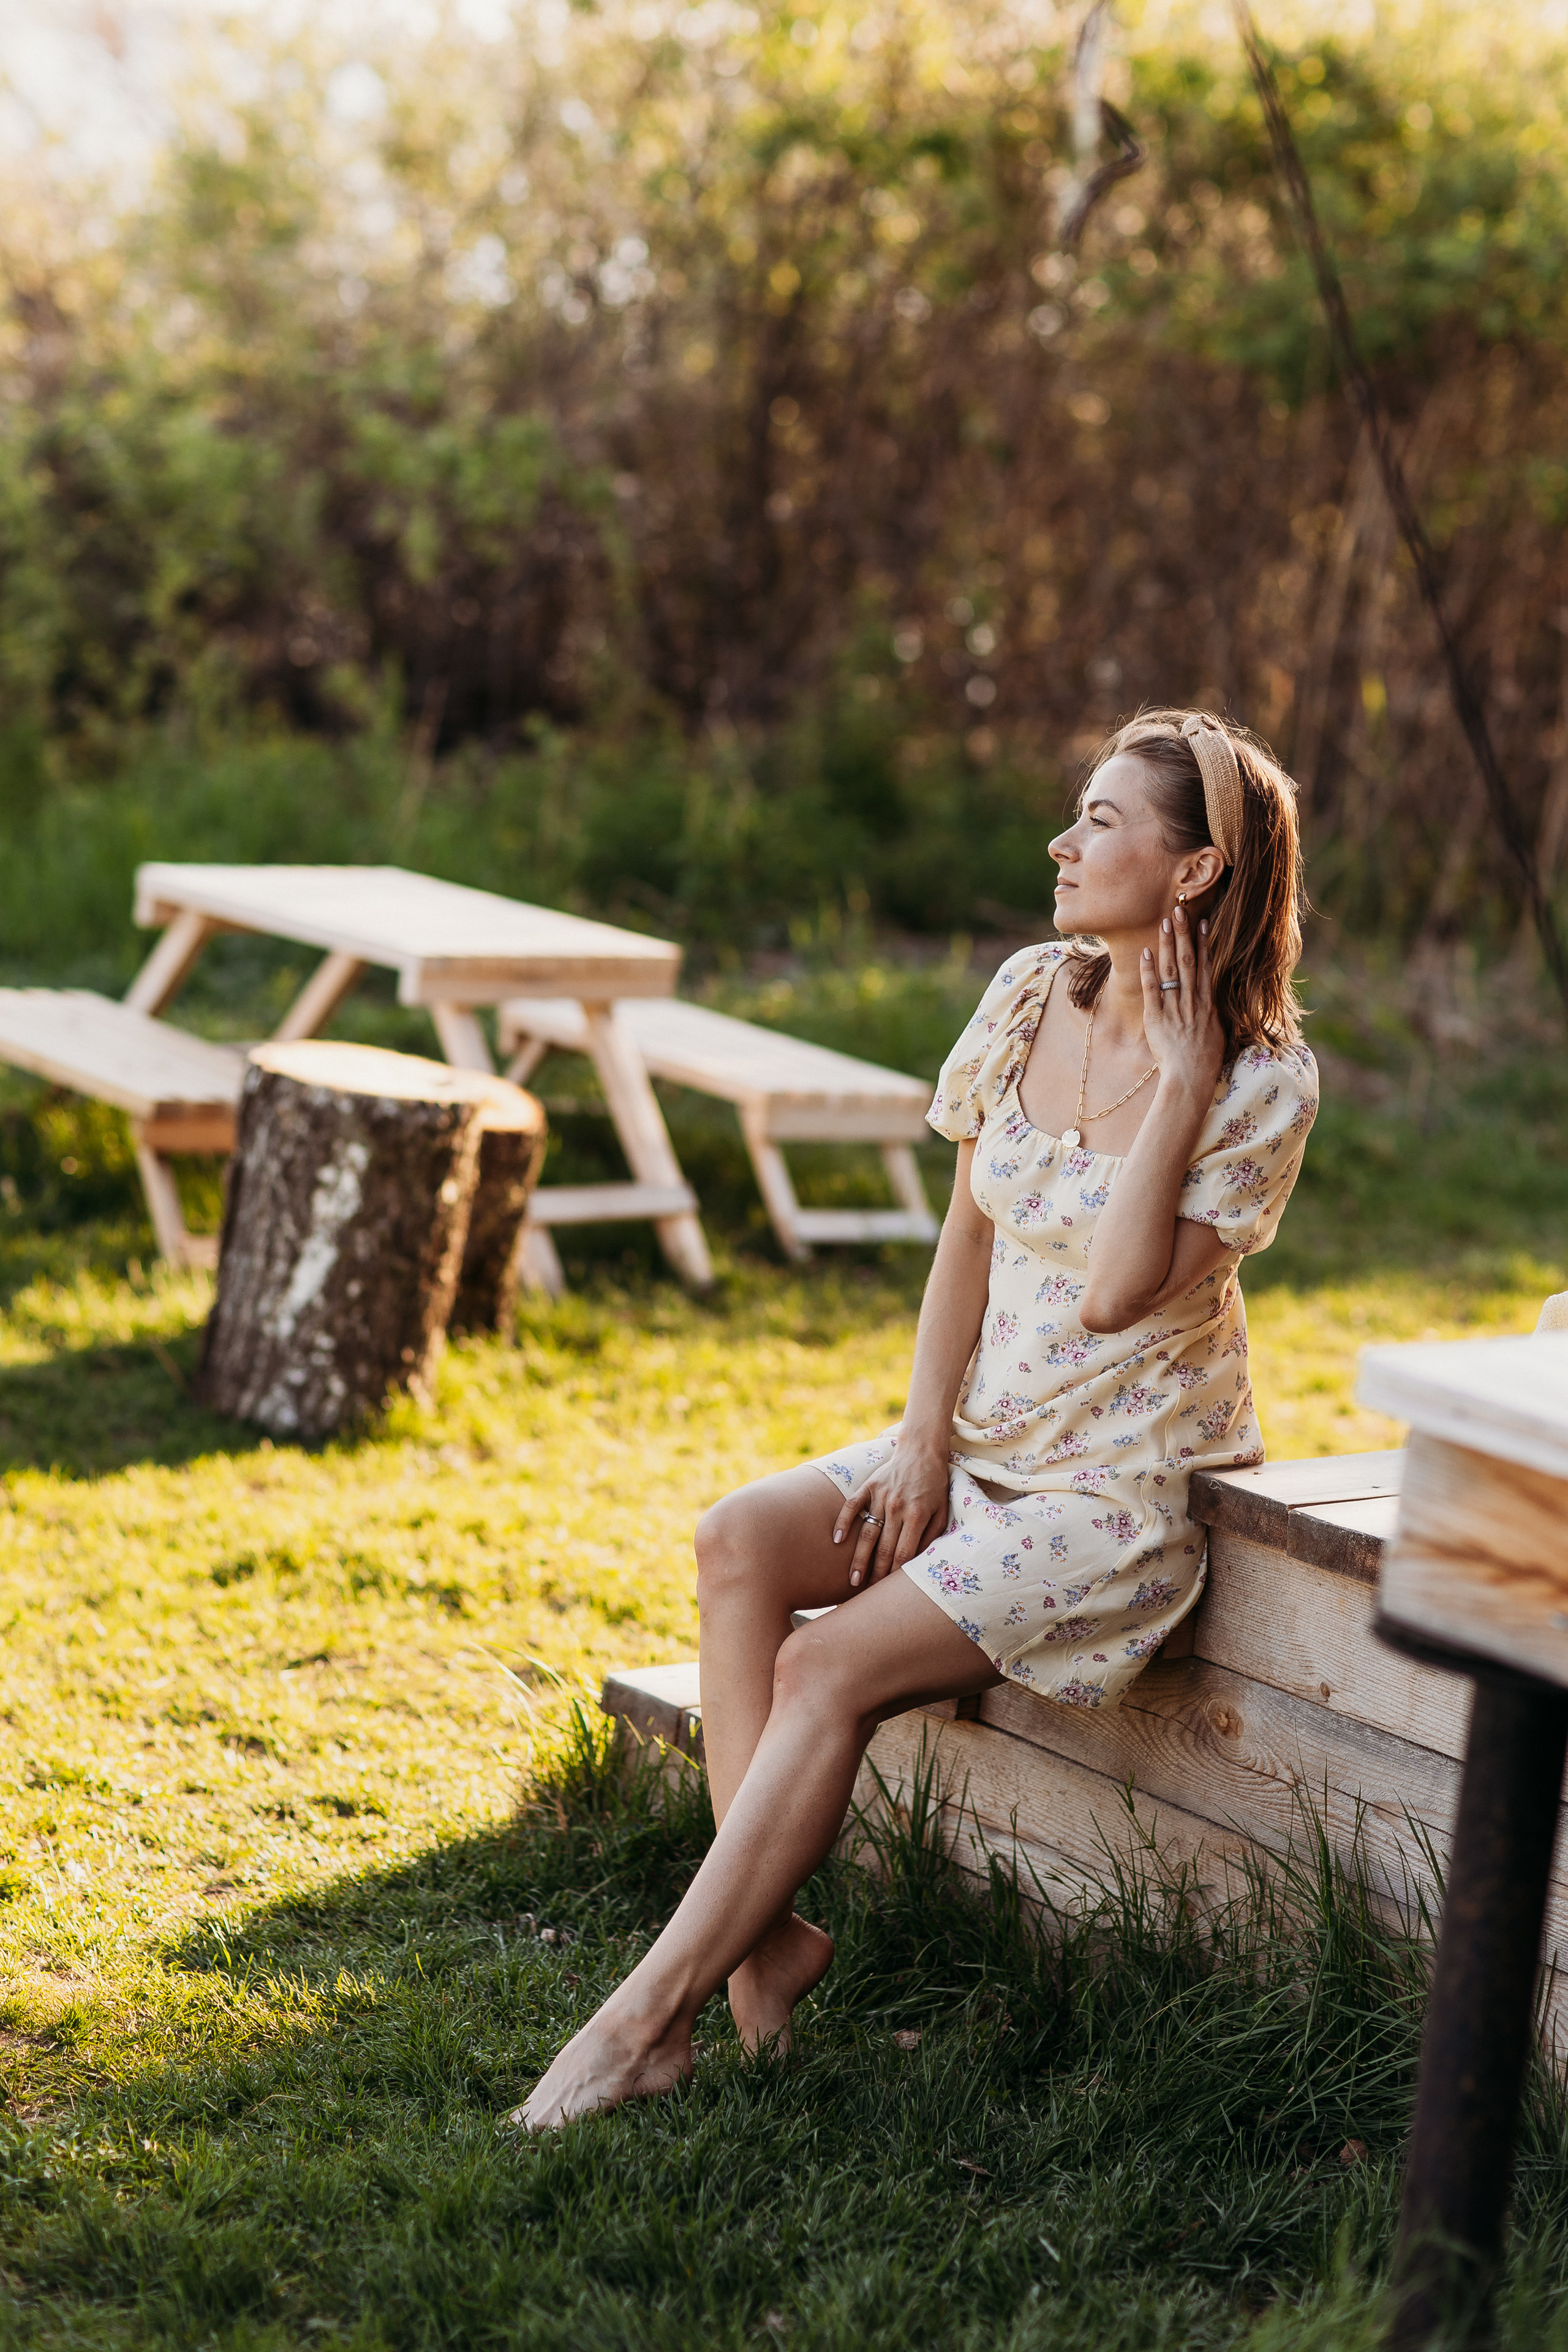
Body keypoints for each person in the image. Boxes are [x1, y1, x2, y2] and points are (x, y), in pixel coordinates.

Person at [515, 706, 1318, 2130]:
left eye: (1100, 823)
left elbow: (1112, 1294)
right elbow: (967, 1236)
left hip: (1111, 1495)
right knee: (737, 1542)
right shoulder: (1027, 993)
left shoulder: (1258, 1083)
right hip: (979, 1444)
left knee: (823, 1667)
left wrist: (1182, 1078)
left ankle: (644, 2023)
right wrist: (920, 1436)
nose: (1060, 844)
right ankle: (760, 1951)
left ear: (1193, 871)